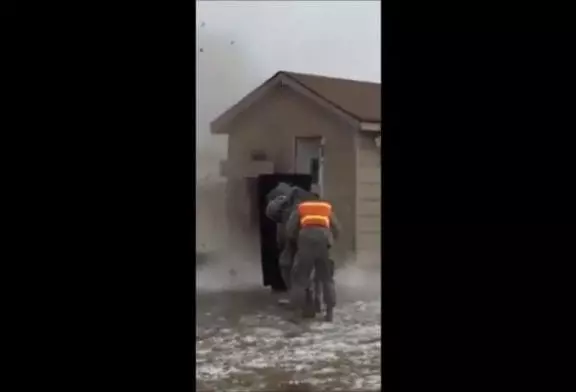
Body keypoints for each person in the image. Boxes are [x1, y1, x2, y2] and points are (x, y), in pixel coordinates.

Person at [286, 191, 341, 321]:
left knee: (300, 278)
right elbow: (337, 228)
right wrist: (331, 241)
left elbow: (290, 228)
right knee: (327, 278)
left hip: (305, 239)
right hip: (323, 239)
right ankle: (329, 312)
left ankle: (296, 312)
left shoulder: (301, 207)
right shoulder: (326, 207)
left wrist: (296, 239)